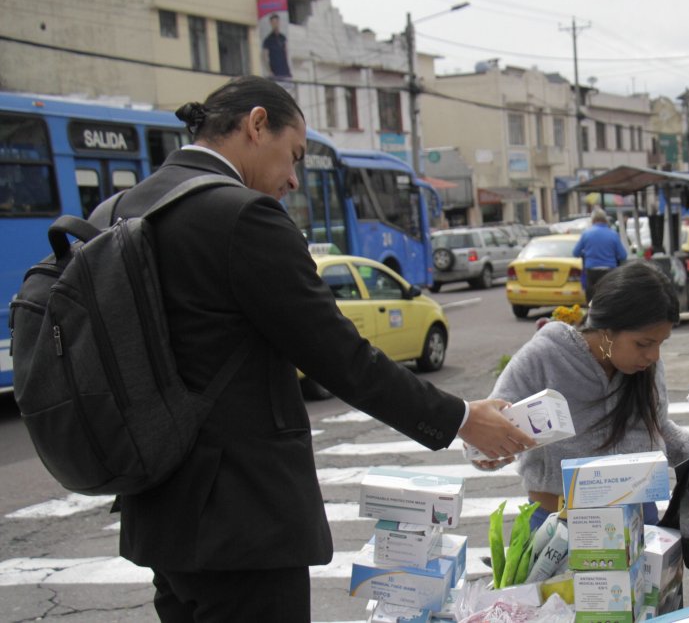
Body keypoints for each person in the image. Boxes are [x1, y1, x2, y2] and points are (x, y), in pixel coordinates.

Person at [113, 76, 533, 622]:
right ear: (256, 123)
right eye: (293, 156)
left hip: (155, 509)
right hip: (242, 523)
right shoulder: (242, 216)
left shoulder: (124, 208)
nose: (291, 179)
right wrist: (460, 417)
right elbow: (341, 357)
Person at [478, 262, 689, 531]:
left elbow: (658, 428)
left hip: (640, 522)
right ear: (607, 330)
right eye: (644, 344)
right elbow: (491, 425)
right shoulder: (544, 357)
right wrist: (485, 453)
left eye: (660, 343)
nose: (654, 356)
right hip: (559, 527)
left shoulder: (646, 367)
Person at [573, 208, 627, 301]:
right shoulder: (613, 234)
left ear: (593, 220)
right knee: (607, 298)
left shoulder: (586, 234)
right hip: (609, 271)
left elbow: (575, 253)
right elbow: (623, 255)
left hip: (591, 271)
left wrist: (586, 253)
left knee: (591, 298)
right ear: (605, 220)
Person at [261, 13, 291, 79]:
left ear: (279, 22)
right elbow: (264, 57)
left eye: (276, 22)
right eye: (273, 22)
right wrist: (269, 71)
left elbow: (286, 53)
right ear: (271, 23)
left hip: (285, 72)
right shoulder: (268, 40)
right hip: (275, 73)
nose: (275, 24)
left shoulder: (283, 38)